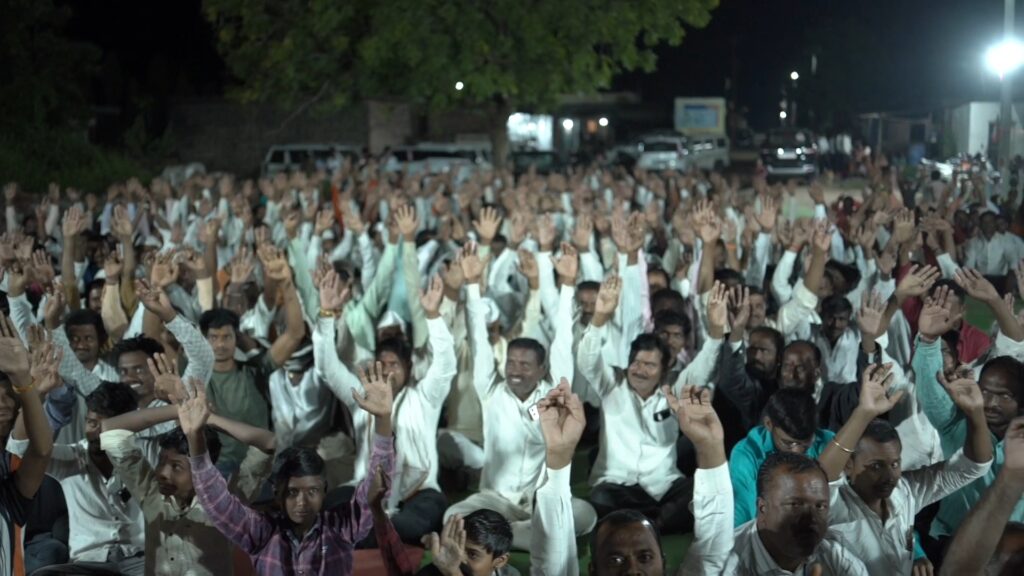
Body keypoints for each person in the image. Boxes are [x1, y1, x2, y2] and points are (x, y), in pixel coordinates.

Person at [443, 243, 596, 550]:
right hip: (495, 500)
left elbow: (563, 342)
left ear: (542, 370)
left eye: (525, 365)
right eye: (511, 363)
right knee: (453, 515)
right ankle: (522, 534)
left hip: (541, 500)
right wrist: (472, 285)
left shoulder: (553, 395)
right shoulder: (491, 392)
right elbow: (478, 338)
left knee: (586, 515)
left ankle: (501, 535)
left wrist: (567, 285)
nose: (515, 371)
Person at [186, 361, 395, 575]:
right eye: (292, 492)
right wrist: (194, 437)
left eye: (312, 491)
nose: (302, 502)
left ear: (325, 491)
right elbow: (217, 502)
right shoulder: (262, 533)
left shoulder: (341, 528)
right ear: (277, 493)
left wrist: (383, 420)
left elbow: (378, 486)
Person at [314, 271, 456, 545]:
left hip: (418, 493)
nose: (388, 371)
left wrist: (433, 316)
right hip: (364, 490)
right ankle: (371, 531)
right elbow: (327, 368)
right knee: (329, 507)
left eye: (395, 365)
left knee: (416, 521)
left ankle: (368, 532)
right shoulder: (362, 398)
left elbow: (445, 366)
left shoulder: (425, 397)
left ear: (408, 368)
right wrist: (326, 315)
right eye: (383, 363)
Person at [577, 277, 724, 533]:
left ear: (665, 368)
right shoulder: (612, 385)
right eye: (636, 363)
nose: (640, 371)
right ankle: (655, 524)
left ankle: (639, 524)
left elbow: (702, 368)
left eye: (649, 365)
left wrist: (715, 332)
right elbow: (587, 360)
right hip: (617, 485)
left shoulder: (674, 391)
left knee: (698, 491)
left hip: (663, 485)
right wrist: (600, 317)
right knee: (601, 498)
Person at [818, 363, 993, 574]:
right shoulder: (834, 505)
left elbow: (972, 466)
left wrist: (975, 413)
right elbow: (821, 479)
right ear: (848, 465)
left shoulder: (905, 492)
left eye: (895, 464)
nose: (889, 475)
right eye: (875, 466)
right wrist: (864, 412)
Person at [98, 375, 278, 576]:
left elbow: (268, 443)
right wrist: (180, 410)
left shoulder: (229, 501)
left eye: (176, 467)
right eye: (161, 462)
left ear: (203, 469)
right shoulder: (150, 493)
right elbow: (111, 429)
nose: (162, 473)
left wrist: (207, 419)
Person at [19, 381, 146, 576]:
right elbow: (19, 451)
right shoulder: (72, 457)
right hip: (88, 564)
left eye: (109, 426)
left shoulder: (145, 455)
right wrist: (36, 392)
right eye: (92, 422)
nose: (96, 432)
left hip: (140, 560)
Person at [200, 243, 305, 475]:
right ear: (204, 341)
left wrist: (286, 283)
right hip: (218, 469)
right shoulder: (196, 376)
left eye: (226, 337)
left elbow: (295, 333)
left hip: (262, 466)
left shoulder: (255, 369)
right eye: (214, 338)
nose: (220, 344)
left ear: (236, 338)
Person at [729, 388, 836, 526]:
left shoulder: (828, 443)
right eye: (788, 443)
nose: (797, 451)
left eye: (806, 443)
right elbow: (743, 511)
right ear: (768, 424)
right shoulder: (747, 453)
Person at [0, 313, 55, 576]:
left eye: (7, 398)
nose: (1, 404)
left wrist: (24, 380)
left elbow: (42, 450)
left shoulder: (9, 492)